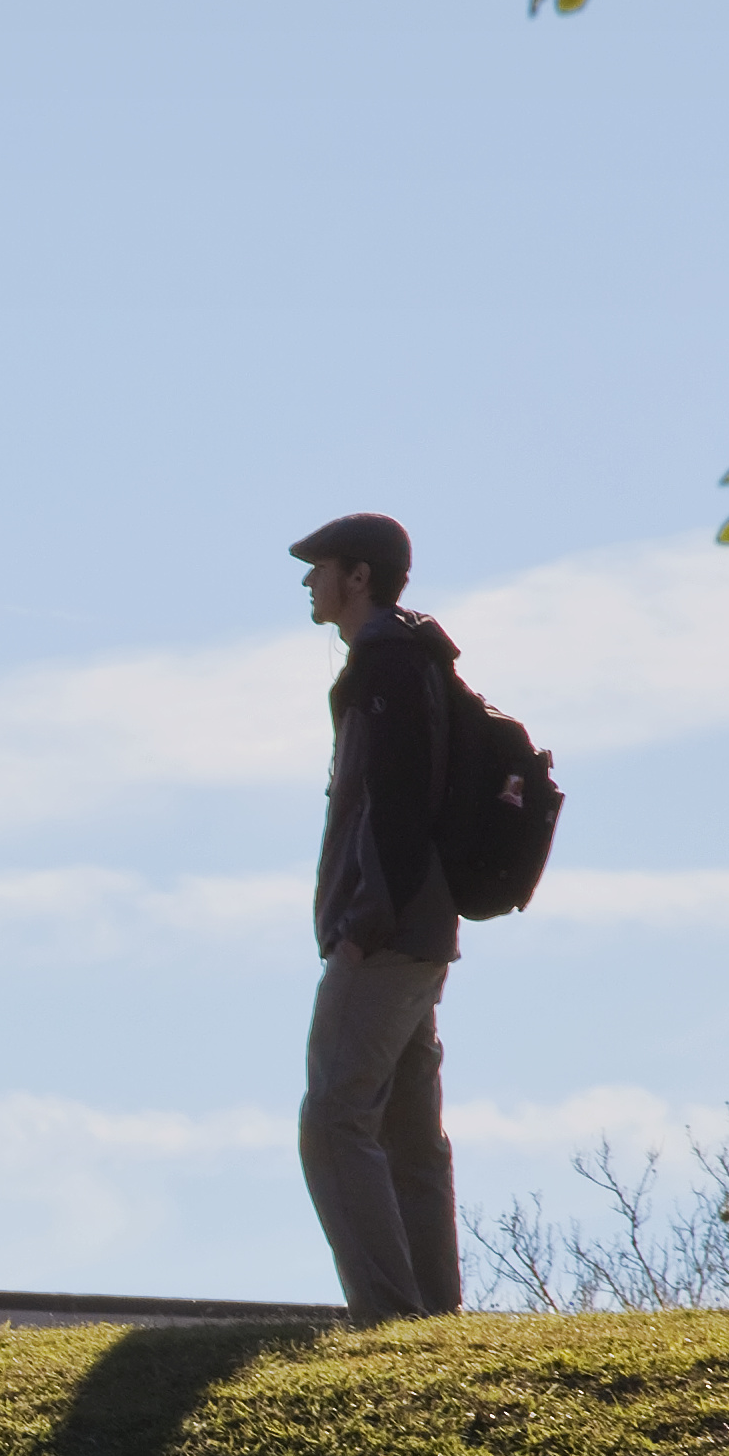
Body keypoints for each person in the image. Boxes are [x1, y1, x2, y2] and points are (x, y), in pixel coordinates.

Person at [287, 508, 462, 1320]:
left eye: (320, 568)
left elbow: (394, 809)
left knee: (332, 1121)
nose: (309, 582)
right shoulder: (410, 659)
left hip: (386, 937)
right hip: (423, 934)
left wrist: (360, 927)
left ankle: (390, 1316)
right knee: (406, 1138)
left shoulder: (387, 663)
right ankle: (432, 1320)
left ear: (358, 577)